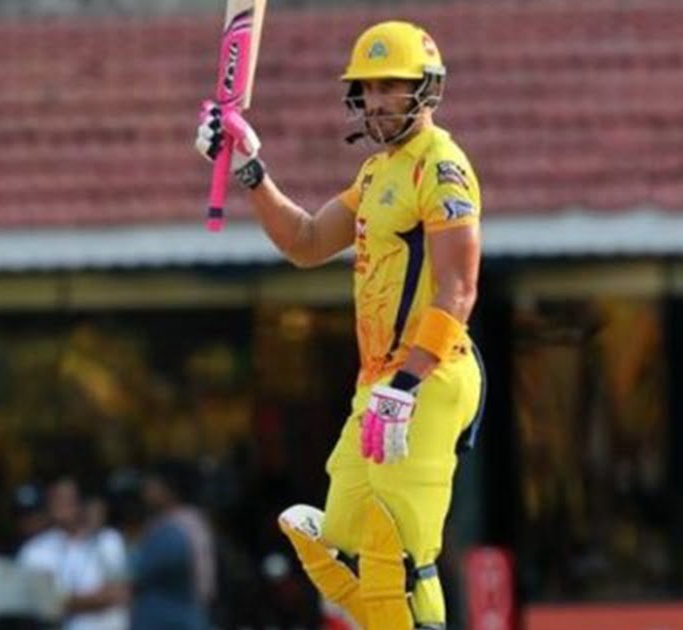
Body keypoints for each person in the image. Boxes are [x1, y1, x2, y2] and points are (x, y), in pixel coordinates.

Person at [195, 19, 485, 630]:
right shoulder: (376, 173)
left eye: (391, 86)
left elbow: (459, 287)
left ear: (426, 89)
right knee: (340, 541)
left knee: (400, 554)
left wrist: (406, 386)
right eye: (368, 88)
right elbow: (305, 241)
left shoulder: (441, 168)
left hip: (429, 376)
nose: (377, 100)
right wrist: (249, 166)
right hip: (377, 381)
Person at [17, 478, 129, 630]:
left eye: (68, 500)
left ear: (81, 503)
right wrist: (100, 598)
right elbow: (48, 603)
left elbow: (122, 592)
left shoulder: (109, 540)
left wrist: (73, 600)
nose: (62, 506)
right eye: (56, 500)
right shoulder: (35, 551)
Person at [129, 461, 215, 630]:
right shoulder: (191, 521)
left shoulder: (172, 531)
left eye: (152, 485)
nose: (145, 491)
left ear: (169, 489)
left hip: (172, 618)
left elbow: (137, 572)